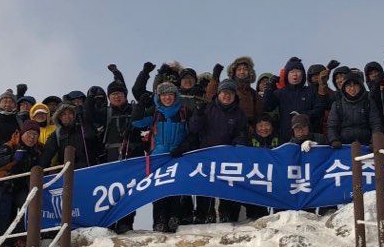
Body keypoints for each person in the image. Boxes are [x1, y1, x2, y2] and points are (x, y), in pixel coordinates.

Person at [132, 82, 196, 233]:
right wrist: (140, 105)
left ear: (175, 96)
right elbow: (137, 122)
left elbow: (193, 134)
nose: (167, 98)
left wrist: (183, 148)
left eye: (170, 94)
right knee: (159, 190)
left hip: (178, 156)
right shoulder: (154, 112)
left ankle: (176, 218)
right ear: (159, 97)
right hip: (158, 158)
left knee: (178, 188)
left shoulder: (184, 112)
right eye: (164, 95)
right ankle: (159, 221)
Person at [190, 79, 250, 223]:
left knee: (228, 186)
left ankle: (227, 215)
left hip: (228, 156)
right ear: (218, 93)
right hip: (206, 154)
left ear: (235, 95)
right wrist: (198, 114)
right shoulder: (207, 108)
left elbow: (242, 133)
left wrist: (238, 144)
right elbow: (193, 128)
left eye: (231, 93)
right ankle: (203, 215)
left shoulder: (239, 113)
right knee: (205, 186)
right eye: (224, 92)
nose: (227, 96)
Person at [96, 79, 144, 234]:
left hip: (132, 159)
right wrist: (90, 99)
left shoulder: (134, 110)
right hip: (111, 159)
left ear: (125, 95)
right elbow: (90, 115)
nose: (117, 97)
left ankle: (126, 223)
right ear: (109, 97)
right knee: (110, 193)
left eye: (119, 94)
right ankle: (109, 222)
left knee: (129, 193)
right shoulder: (106, 113)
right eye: (113, 94)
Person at [0, 120, 44, 247]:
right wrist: (12, 158)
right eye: (29, 134)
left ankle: (20, 239)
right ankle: (3, 243)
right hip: (4, 184)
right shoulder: (10, 145)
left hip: (22, 186)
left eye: (35, 135)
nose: (32, 137)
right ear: (22, 134)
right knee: (4, 213)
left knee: (26, 208)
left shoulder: (37, 150)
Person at [263, 57, 329, 142]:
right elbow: (267, 107)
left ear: (303, 74)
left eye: (298, 71)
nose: (295, 74)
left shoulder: (311, 91)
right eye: (292, 72)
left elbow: (320, 110)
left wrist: (303, 116)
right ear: (287, 75)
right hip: (286, 139)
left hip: (309, 139)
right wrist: (270, 88)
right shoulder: (280, 93)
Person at [40, 98, 104, 169]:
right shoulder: (56, 135)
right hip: (68, 172)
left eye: (70, 113)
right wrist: (39, 170)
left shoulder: (84, 127)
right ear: (59, 117)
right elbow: (47, 155)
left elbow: (94, 139)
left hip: (91, 169)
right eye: (63, 114)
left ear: (74, 114)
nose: (67, 117)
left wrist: (84, 120)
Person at [326, 71, 384, 148]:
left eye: (355, 85)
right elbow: (332, 126)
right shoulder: (337, 105)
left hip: (366, 144)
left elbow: (375, 124)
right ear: (344, 88)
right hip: (344, 146)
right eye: (348, 86)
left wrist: (374, 142)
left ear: (360, 86)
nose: (352, 88)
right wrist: (334, 140)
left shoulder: (368, 102)